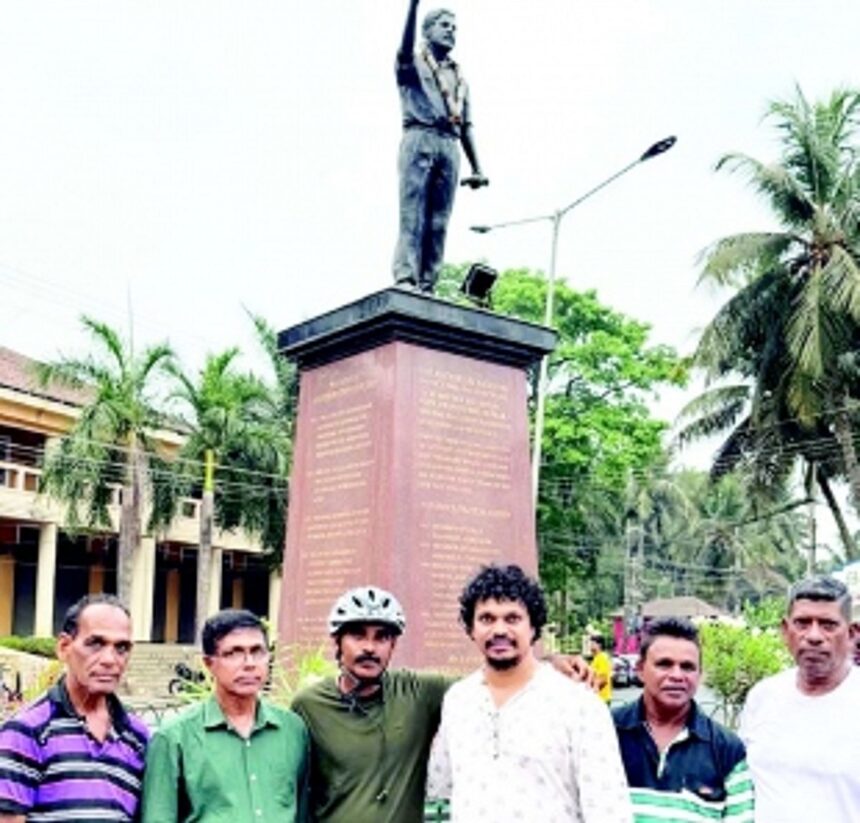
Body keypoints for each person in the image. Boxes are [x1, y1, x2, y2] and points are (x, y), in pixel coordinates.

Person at [292, 583, 591, 823]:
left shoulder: (418, 692)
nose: (370, 647)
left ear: (393, 645)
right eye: (358, 636)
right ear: (337, 642)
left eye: (382, 637)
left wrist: (549, 662)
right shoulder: (309, 706)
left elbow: (491, 679)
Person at [426, 564, 632, 822]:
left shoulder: (579, 705)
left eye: (512, 618)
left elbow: (608, 810)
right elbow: (440, 784)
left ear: (534, 627)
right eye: (487, 619)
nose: (499, 630)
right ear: (471, 629)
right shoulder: (458, 700)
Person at [141, 609, 309, 822]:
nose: (249, 663)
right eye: (234, 653)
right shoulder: (174, 737)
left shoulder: (292, 730)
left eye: (258, 651)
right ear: (209, 664)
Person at [0, 593, 149, 822]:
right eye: (96, 644)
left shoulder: (137, 736)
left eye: (121, 648)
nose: (110, 659)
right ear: (64, 647)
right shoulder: (27, 730)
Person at [738, 576, 860, 822]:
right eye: (802, 623)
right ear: (786, 630)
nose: (814, 636)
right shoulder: (762, 697)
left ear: (851, 633)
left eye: (828, 625)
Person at [612, 617, 754, 822]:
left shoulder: (727, 749)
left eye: (687, 667)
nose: (677, 675)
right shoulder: (607, 734)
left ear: (700, 675)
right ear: (640, 670)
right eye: (664, 664)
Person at [392, 0, 488, 293]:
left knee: (438, 222)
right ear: (427, 30)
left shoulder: (459, 77)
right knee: (413, 214)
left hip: (449, 145)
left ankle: (427, 284)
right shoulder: (414, 63)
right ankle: (406, 277)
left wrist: (477, 167)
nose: (451, 32)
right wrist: (413, 7)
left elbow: (467, 125)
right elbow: (403, 50)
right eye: (444, 25)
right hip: (419, 137)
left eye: (454, 28)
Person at [590, 633, 613, 703]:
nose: (590, 646)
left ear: (599, 645)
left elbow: (603, 679)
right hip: (598, 698)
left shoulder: (602, 657)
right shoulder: (596, 658)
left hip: (602, 699)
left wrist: (592, 689)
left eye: (592, 644)